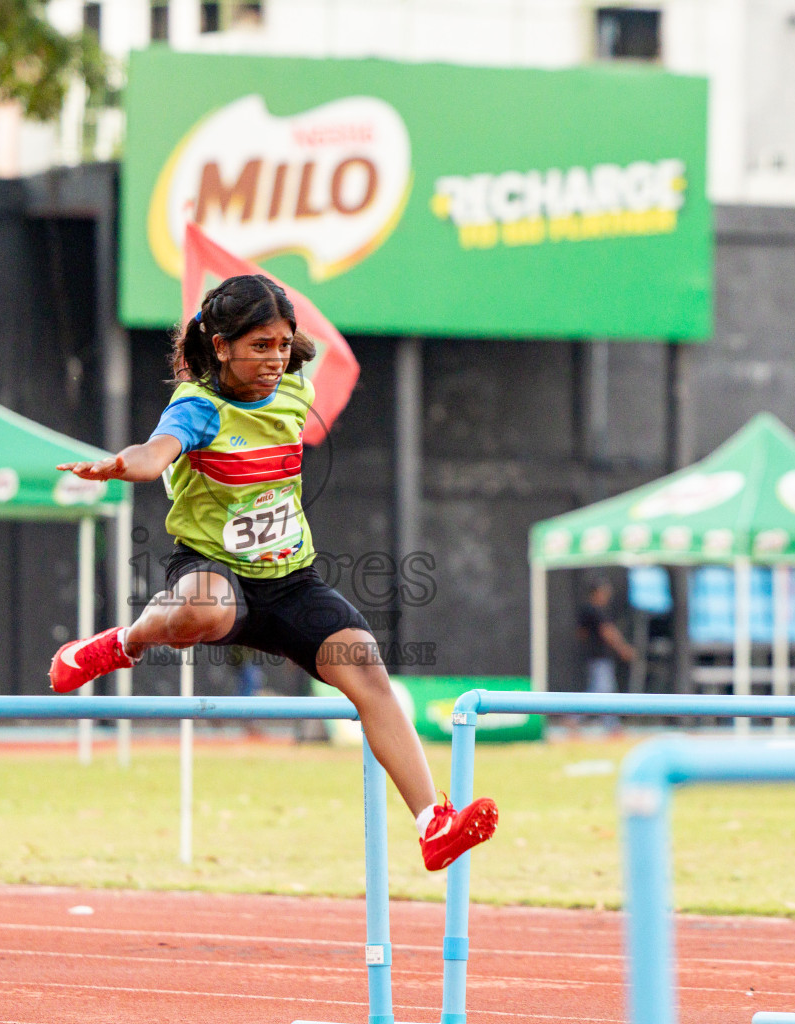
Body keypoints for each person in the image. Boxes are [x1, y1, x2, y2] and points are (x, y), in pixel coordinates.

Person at [50, 274, 497, 872]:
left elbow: (312, 364)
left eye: (284, 345)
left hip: (290, 581)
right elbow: (156, 452)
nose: (275, 359)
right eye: (260, 345)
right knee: (204, 608)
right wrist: (123, 465)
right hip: (211, 567)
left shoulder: (293, 390)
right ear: (219, 345)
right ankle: (123, 643)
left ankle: (432, 825)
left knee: (370, 672)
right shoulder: (198, 406)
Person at [576, 577, 634, 733]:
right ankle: (609, 725)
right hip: (599, 657)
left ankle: (576, 718)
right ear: (597, 592)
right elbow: (607, 632)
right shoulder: (595, 610)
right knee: (603, 692)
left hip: (595, 656)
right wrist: (622, 648)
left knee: (599, 690)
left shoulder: (588, 610)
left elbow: (582, 633)